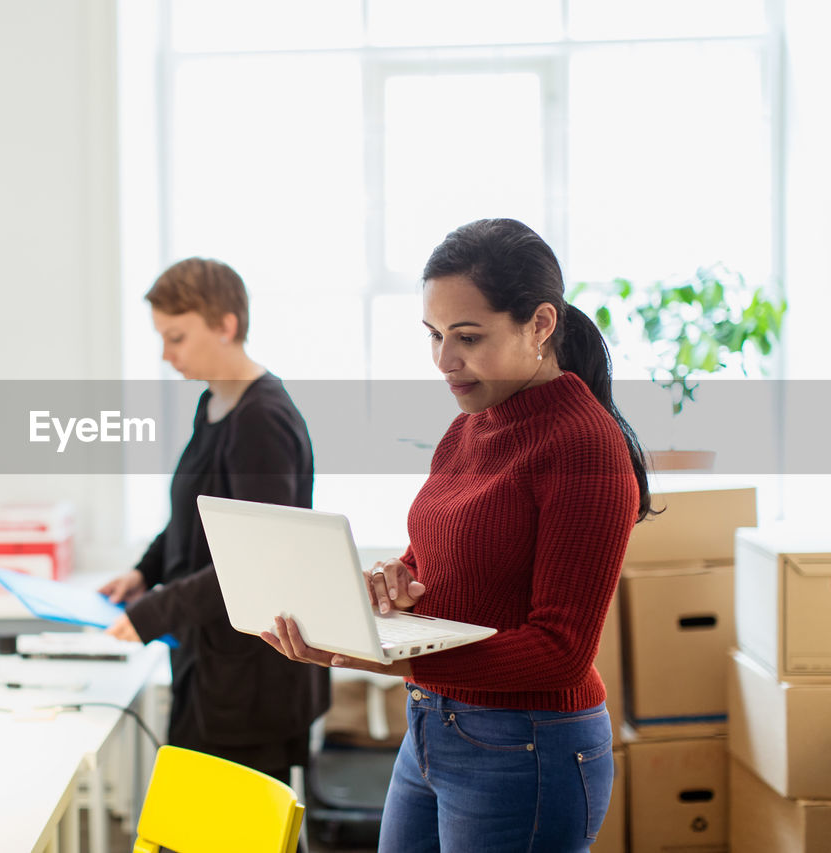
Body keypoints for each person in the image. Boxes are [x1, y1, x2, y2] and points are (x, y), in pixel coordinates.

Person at [262, 219, 652, 852]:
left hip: (525, 743)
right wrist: (392, 587)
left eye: (468, 337)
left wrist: (379, 657)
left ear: (541, 324)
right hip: (432, 726)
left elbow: (560, 651)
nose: (445, 360)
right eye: (435, 335)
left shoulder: (584, 446)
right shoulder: (469, 428)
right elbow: (435, 562)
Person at [100, 257, 330, 784]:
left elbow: (260, 558)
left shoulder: (261, 422)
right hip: (210, 665)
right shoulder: (211, 405)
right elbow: (194, 516)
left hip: (250, 680)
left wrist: (155, 610)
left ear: (226, 325)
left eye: (176, 337)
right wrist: (144, 571)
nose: (165, 354)